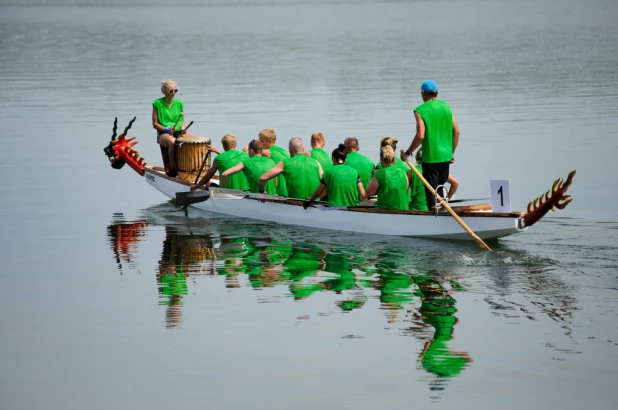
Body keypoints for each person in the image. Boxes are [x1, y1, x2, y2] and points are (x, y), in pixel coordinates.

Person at [400, 80, 460, 210]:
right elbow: (456, 132)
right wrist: (451, 153)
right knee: (440, 186)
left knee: (431, 192)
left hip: (430, 157)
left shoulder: (420, 110)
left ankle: (434, 214)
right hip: (445, 156)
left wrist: (408, 152)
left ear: (422, 92)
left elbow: (420, 135)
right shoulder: (446, 107)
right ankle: (443, 211)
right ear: (436, 93)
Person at [152, 79, 219, 177]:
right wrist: (166, 129)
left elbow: (182, 120)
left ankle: (199, 169)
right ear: (165, 91)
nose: (173, 92)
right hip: (163, 134)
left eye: (175, 90)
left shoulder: (179, 103)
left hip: (178, 131)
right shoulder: (157, 103)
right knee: (172, 141)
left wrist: (183, 128)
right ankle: (173, 169)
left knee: (199, 140)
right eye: (171, 91)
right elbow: (155, 124)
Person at [303, 144, 366, 209]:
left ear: (333, 159)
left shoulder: (328, 171)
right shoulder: (355, 172)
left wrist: (309, 200)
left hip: (334, 208)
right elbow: (362, 194)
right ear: (345, 159)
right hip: (352, 208)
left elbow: (318, 192)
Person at [258, 138, 323, 200]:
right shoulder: (316, 162)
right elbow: (325, 182)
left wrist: (262, 190)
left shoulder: (285, 163)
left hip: (296, 204)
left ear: (289, 150)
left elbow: (263, 178)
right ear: (303, 148)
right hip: (315, 204)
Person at [364, 146, 410, 210]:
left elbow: (368, 193)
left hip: (385, 210)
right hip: (404, 210)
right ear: (394, 159)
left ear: (381, 159)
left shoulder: (379, 173)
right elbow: (406, 188)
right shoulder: (403, 172)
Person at [258, 129, 290, 197]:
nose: (259, 144)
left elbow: (256, 151)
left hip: (279, 190)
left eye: (261, 141)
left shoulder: (268, 152)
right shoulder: (283, 151)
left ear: (269, 141)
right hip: (287, 189)